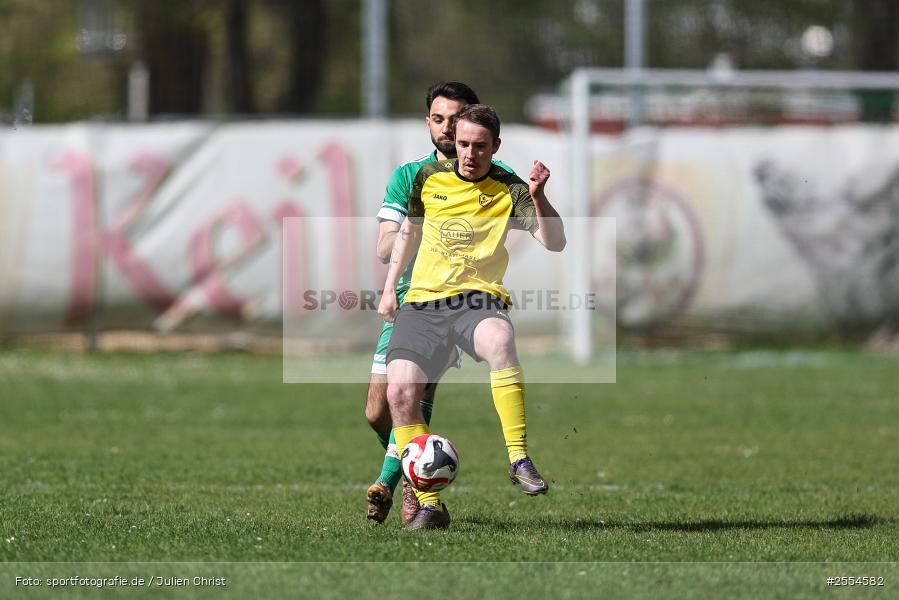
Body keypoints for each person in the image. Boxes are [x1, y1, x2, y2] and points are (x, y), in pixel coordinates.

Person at [378, 103, 566, 530]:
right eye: (463, 144)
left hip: (476, 300)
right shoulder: (428, 178)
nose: (469, 153)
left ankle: (518, 458)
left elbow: (555, 242)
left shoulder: (509, 186)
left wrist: (538, 197)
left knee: (500, 341)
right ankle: (429, 503)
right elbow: (410, 231)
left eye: (479, 146)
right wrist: (390, 289)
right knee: (400, 393)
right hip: (422, 302)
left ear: (495, 146)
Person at [365, 82, 516, 525]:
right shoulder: (411, 176)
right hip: (405, 301)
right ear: (427, 122)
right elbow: (384, 246)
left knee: (412, 393)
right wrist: (420, 223)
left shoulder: (495, 175)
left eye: (455, 119)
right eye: (438, 119)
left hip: (455, 304)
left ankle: (407, 490)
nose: (447, 128)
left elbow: (535, 226)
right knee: (377, 411)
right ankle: (416, 474)